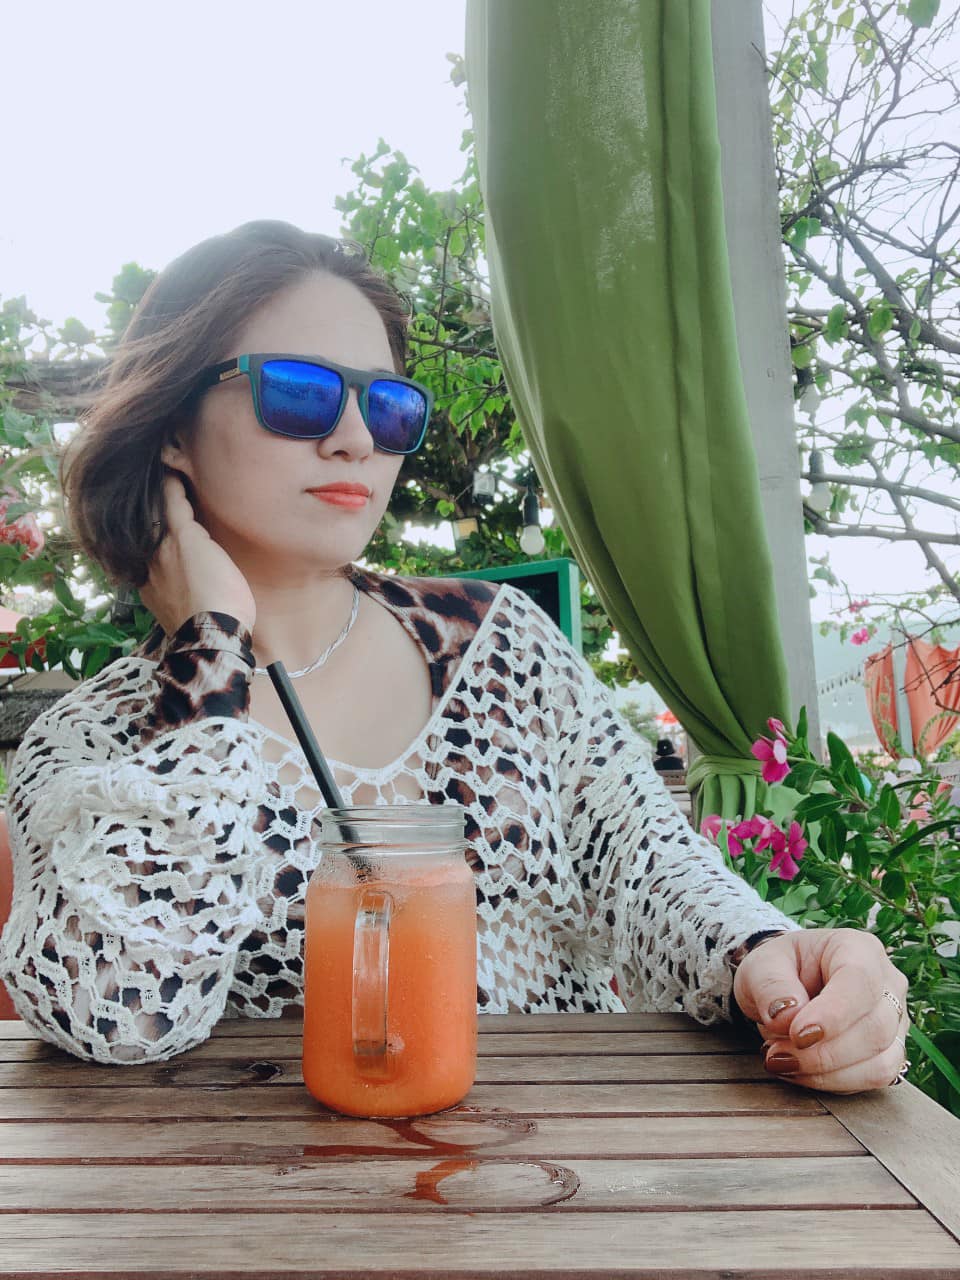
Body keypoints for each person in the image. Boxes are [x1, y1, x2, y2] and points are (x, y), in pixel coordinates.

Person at [0, 221, 910, 1093]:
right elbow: (117, 1013)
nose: (356, 439)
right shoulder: (95, 743)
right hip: (290, 1181)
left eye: (388, 407)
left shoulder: (499, 644)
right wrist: (208, 656)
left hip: (576, 1155)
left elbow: (645, 862)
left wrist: (767, 957)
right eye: (300, 392)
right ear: (172, 426)